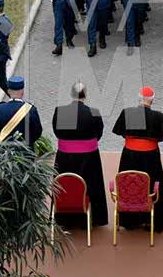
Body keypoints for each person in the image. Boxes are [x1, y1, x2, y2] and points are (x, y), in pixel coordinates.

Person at [112, 86, 163, 232]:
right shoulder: (159, 116)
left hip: (129, 155)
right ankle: (153, 221)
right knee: (152, 185)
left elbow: (120, 131)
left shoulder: (127, 113)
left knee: (129, 184)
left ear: (139, 99)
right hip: (150, 156)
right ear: (152, 100)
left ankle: (129, 221)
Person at [52, 82, 108, 226]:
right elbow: (99, 133)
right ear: (86, 95)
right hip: (89, 157)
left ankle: (64, 217)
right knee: (91, 185)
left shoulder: (60, 111)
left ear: (71, 94)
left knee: (65, 184)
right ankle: (93, 218)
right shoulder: (94, 112)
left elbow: (57, 132)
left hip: (65, 157)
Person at [0, 76, 42, 152]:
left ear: (8, 92)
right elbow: (37, 131)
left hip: (5, 151)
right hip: (26, 152)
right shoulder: (31, 110)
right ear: (22, 92)